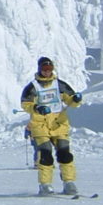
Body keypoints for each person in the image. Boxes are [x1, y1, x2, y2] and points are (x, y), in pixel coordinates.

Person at [21, 56, 83, 196]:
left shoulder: (60, 85)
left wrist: (76, 99)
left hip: (58, 125)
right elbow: (25, 104)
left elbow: (70, 100)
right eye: (44, 69)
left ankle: (69, 182)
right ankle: (45, 184)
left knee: (64, 154)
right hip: (40, 125)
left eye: (49, 69)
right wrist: (37, 108)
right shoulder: (32, 87)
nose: (47, 72)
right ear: (39, 69)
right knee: (46, 154)